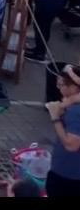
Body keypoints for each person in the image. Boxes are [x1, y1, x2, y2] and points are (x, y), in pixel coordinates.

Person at [45, 64, 80, 197]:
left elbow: (71, 145)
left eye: (61, 85)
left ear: (74, 87)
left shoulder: (75, 112)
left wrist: (55, 118)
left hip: (67, 175)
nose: (58, 89)